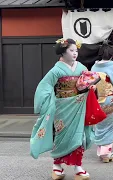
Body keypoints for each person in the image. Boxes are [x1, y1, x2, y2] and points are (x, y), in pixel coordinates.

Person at [30, 38, 94, 180]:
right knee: (61, 136)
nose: (75, 53)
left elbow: (88, 82)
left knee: (78, 135)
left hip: (78, 106)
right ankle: (57, 166)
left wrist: (91, 87)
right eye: (71, 50)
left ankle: (78, 167)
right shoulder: (56, 70)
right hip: (61, 107)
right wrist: (44, 104)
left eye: (76, 50)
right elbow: (44, 87)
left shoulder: (81, 68)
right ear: (63, 52)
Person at [91, 42, 113, 163]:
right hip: (109, 100)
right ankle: (106, 154)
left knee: (100, 125)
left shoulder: (94, 67)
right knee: (111, 126)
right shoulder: (112, 67)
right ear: (112, 55)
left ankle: (101, 151)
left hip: (97, 99)